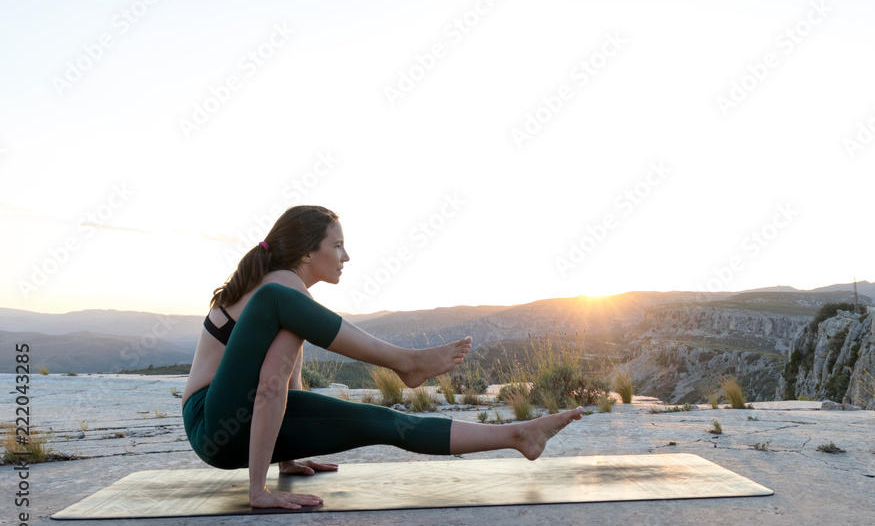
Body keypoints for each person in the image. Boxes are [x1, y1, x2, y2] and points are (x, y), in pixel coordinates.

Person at [182, 205, 583, 510]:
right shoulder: (279, 289)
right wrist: (259, 492)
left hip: (243, 429)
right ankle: (406, 362)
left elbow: (286, 381)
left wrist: (286, 458)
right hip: (212, 423)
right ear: (306, 254)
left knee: (389, 423)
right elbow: (268, 388)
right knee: (278, 302)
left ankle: (519, 436)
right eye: (336, 245)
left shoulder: (291, 298)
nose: (346, 256)